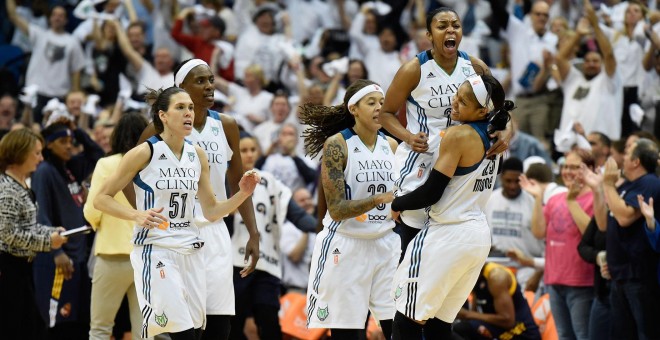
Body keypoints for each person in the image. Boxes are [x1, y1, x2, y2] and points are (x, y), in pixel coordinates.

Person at [93, 86, 260, 339]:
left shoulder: (197, 155)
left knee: (194, 332)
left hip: (190, 252)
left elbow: (212, 211)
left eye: (190, 107)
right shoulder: (144, 152)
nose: (188, 113)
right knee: (183, 334)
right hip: (157, 249)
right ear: (163, 116)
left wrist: (242, 194)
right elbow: (101, 199)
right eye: (180, 108)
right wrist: (137, 215)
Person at [132, 59, 262, 340]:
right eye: (200, 81)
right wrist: (141, 216)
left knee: (219, 322)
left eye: (211, 79)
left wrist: (253, 231)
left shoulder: (226, 125)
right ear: (181, 88)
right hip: (173, 235)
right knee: (182, 326)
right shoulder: (158, 129)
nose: (209, 86)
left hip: (214, 230)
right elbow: (131, 179)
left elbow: (240, 183)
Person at [380, 7, 509, 259]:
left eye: (456, 25)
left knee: (449, 230)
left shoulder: (474, 66)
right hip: (422, 157)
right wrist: (407, 137)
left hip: (461, 157)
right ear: (429, 34)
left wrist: (505, 133)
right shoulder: (413, 69)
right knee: (413, 228)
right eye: (442, 26)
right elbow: (386, 113)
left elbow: (500, 109)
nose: (450, 30)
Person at [389, 74, 511, 339]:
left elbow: (432, 192)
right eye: (457, 94)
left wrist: (396, 203)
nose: (454, 102)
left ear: (481, 111)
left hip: (447, 234)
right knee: (438, 326)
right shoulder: (497, 137)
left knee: (405, 321)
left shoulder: (458, 135)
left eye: (463, 101)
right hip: (476, 236)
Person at [300, 79, 399, 339]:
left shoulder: (391, 146)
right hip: (346, 245)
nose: (379, 107)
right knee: (349, 334)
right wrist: (376, 200)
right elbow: (336, 209)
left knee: (399, 328)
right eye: (371, 103)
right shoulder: (337, 145)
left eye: (381, 102)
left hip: (385, 243)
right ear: (353, 108)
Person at [32, 120, 105, 339]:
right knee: (59, 324)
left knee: (81, 322)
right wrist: (57, 253)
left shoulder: (70, 167)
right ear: (49, 145)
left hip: (78, 257)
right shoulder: (44, 171)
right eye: (63, 142)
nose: (69, 146)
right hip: (59, 260)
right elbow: (41, 214)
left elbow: (97, 156)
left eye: (71, 142)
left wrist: (77, 131)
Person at [83, 113, 148, 340]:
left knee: (100, 329)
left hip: (112, 255)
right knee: (146, 331)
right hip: (146, 257)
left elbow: (92, 211)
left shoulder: (106, 164)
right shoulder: (154, 164)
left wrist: (99, 223)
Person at [520, 149, 596, 340]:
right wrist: (538, 198)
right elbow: (538, 231)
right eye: (565, 167)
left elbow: (591, 234)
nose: (568, 172)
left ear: (590, 169)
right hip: (554, 279)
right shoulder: (555, 199)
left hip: (582, 281)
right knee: (563, 335)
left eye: (575, 167)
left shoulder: (595, 198)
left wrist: (572, 202)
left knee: (583, 335)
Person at [0, 129, 68, 340]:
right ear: (20, 154)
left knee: (30, 327)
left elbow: (28, 226)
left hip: (23, 267)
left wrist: (51, 231)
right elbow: (7, 234)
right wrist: (48, 241)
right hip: (8, 269)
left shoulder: (22, 184)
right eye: (36, 153)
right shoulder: (7, 190)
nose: (41, 157)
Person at [597, 138, 660, 338]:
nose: (622, 158)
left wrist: (608, 185)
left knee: (645, 334)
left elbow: (624, 217)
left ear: (636, 161)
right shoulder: (627, 187)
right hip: (620, 275)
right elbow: (603, 224)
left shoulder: (650, 183)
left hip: (639, 275)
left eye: (627, 153)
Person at [453, 262, 541, 340]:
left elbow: (508, 321)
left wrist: (467, 314)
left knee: (462, 329)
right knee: (458, 328)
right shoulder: (474, 277)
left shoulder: (496, 277)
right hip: (498, 329)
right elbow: (474, 314)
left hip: (521, 332)